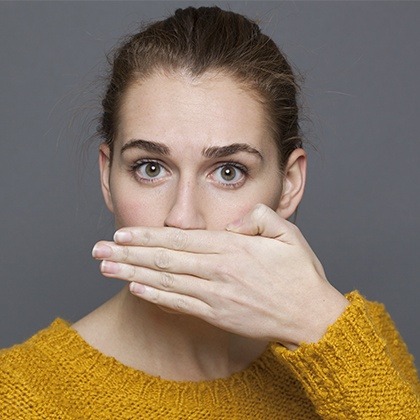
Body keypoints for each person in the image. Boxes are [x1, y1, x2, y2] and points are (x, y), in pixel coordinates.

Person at [1, 6, 419, 419]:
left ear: (289, 184)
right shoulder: (22, 394)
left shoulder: (358, 346)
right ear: (108, 176)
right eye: (150, 168)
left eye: (228, 172)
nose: (182, 218)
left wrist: (322, 328)